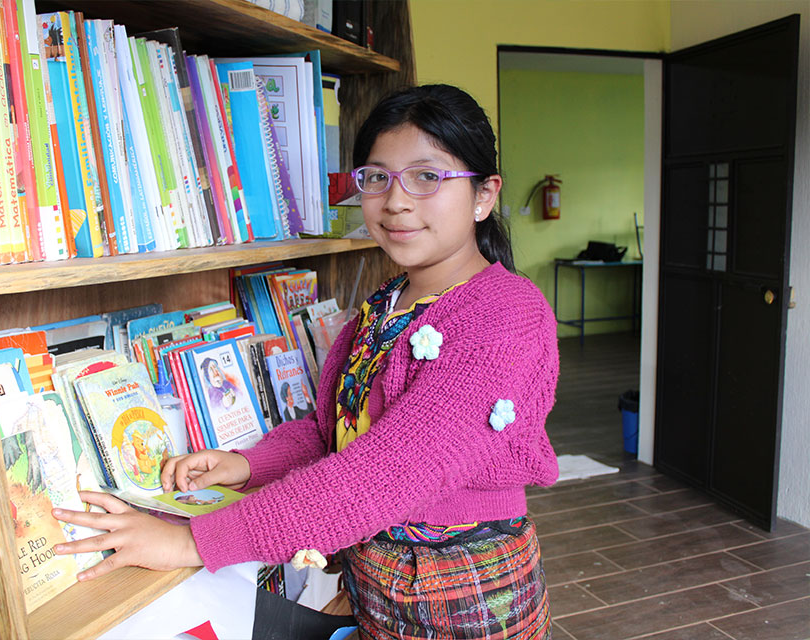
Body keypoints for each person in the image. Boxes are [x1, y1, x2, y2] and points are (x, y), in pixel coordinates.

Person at [53, 84, 559, 639]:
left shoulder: (507, 315)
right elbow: (335, 433)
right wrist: (245, 465)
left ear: (484, 196)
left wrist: (190, 542)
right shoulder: (386, 305)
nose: (395, 201)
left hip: (466, 600)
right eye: (377, 177)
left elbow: (381, 475)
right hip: (380, 588)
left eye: (427, 176)